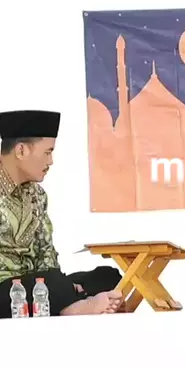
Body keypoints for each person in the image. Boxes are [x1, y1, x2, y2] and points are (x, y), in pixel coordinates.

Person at [0, 110, 124, 318]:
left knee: (108, 276)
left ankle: (68, 301)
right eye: (47, 152)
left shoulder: (37, 195)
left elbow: (45, 250)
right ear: (21, 150)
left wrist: (61, 283)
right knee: (53, 286)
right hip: (6, 289)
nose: (51, 161)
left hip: (36, 284)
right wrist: (58, 285)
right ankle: (72, 304)